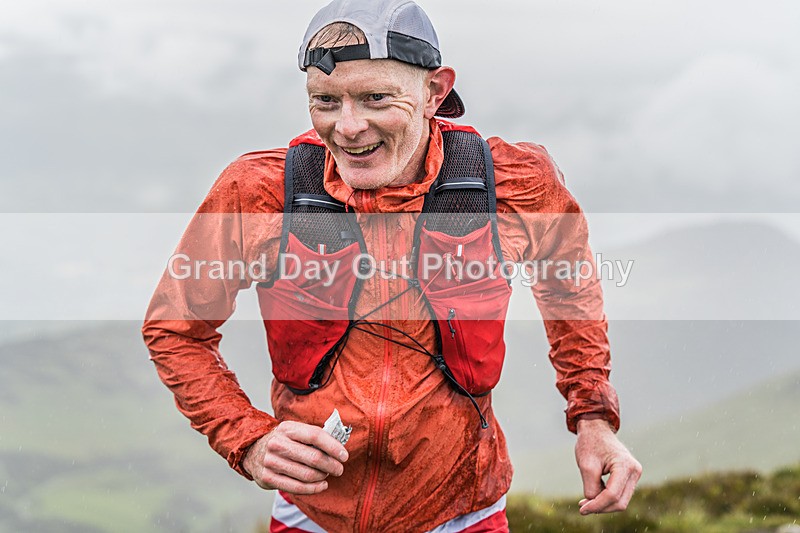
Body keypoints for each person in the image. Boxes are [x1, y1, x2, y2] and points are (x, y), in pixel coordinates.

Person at [142, 1, 642, 531]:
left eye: (376, 98)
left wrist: (592, 416)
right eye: (325, 101)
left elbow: (568, 290)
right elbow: (176, 328)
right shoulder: (260, 191)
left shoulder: (513, 183)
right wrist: (246, 438)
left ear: (435, 91)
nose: (348, 127)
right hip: (311, 516)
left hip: (463, 514)